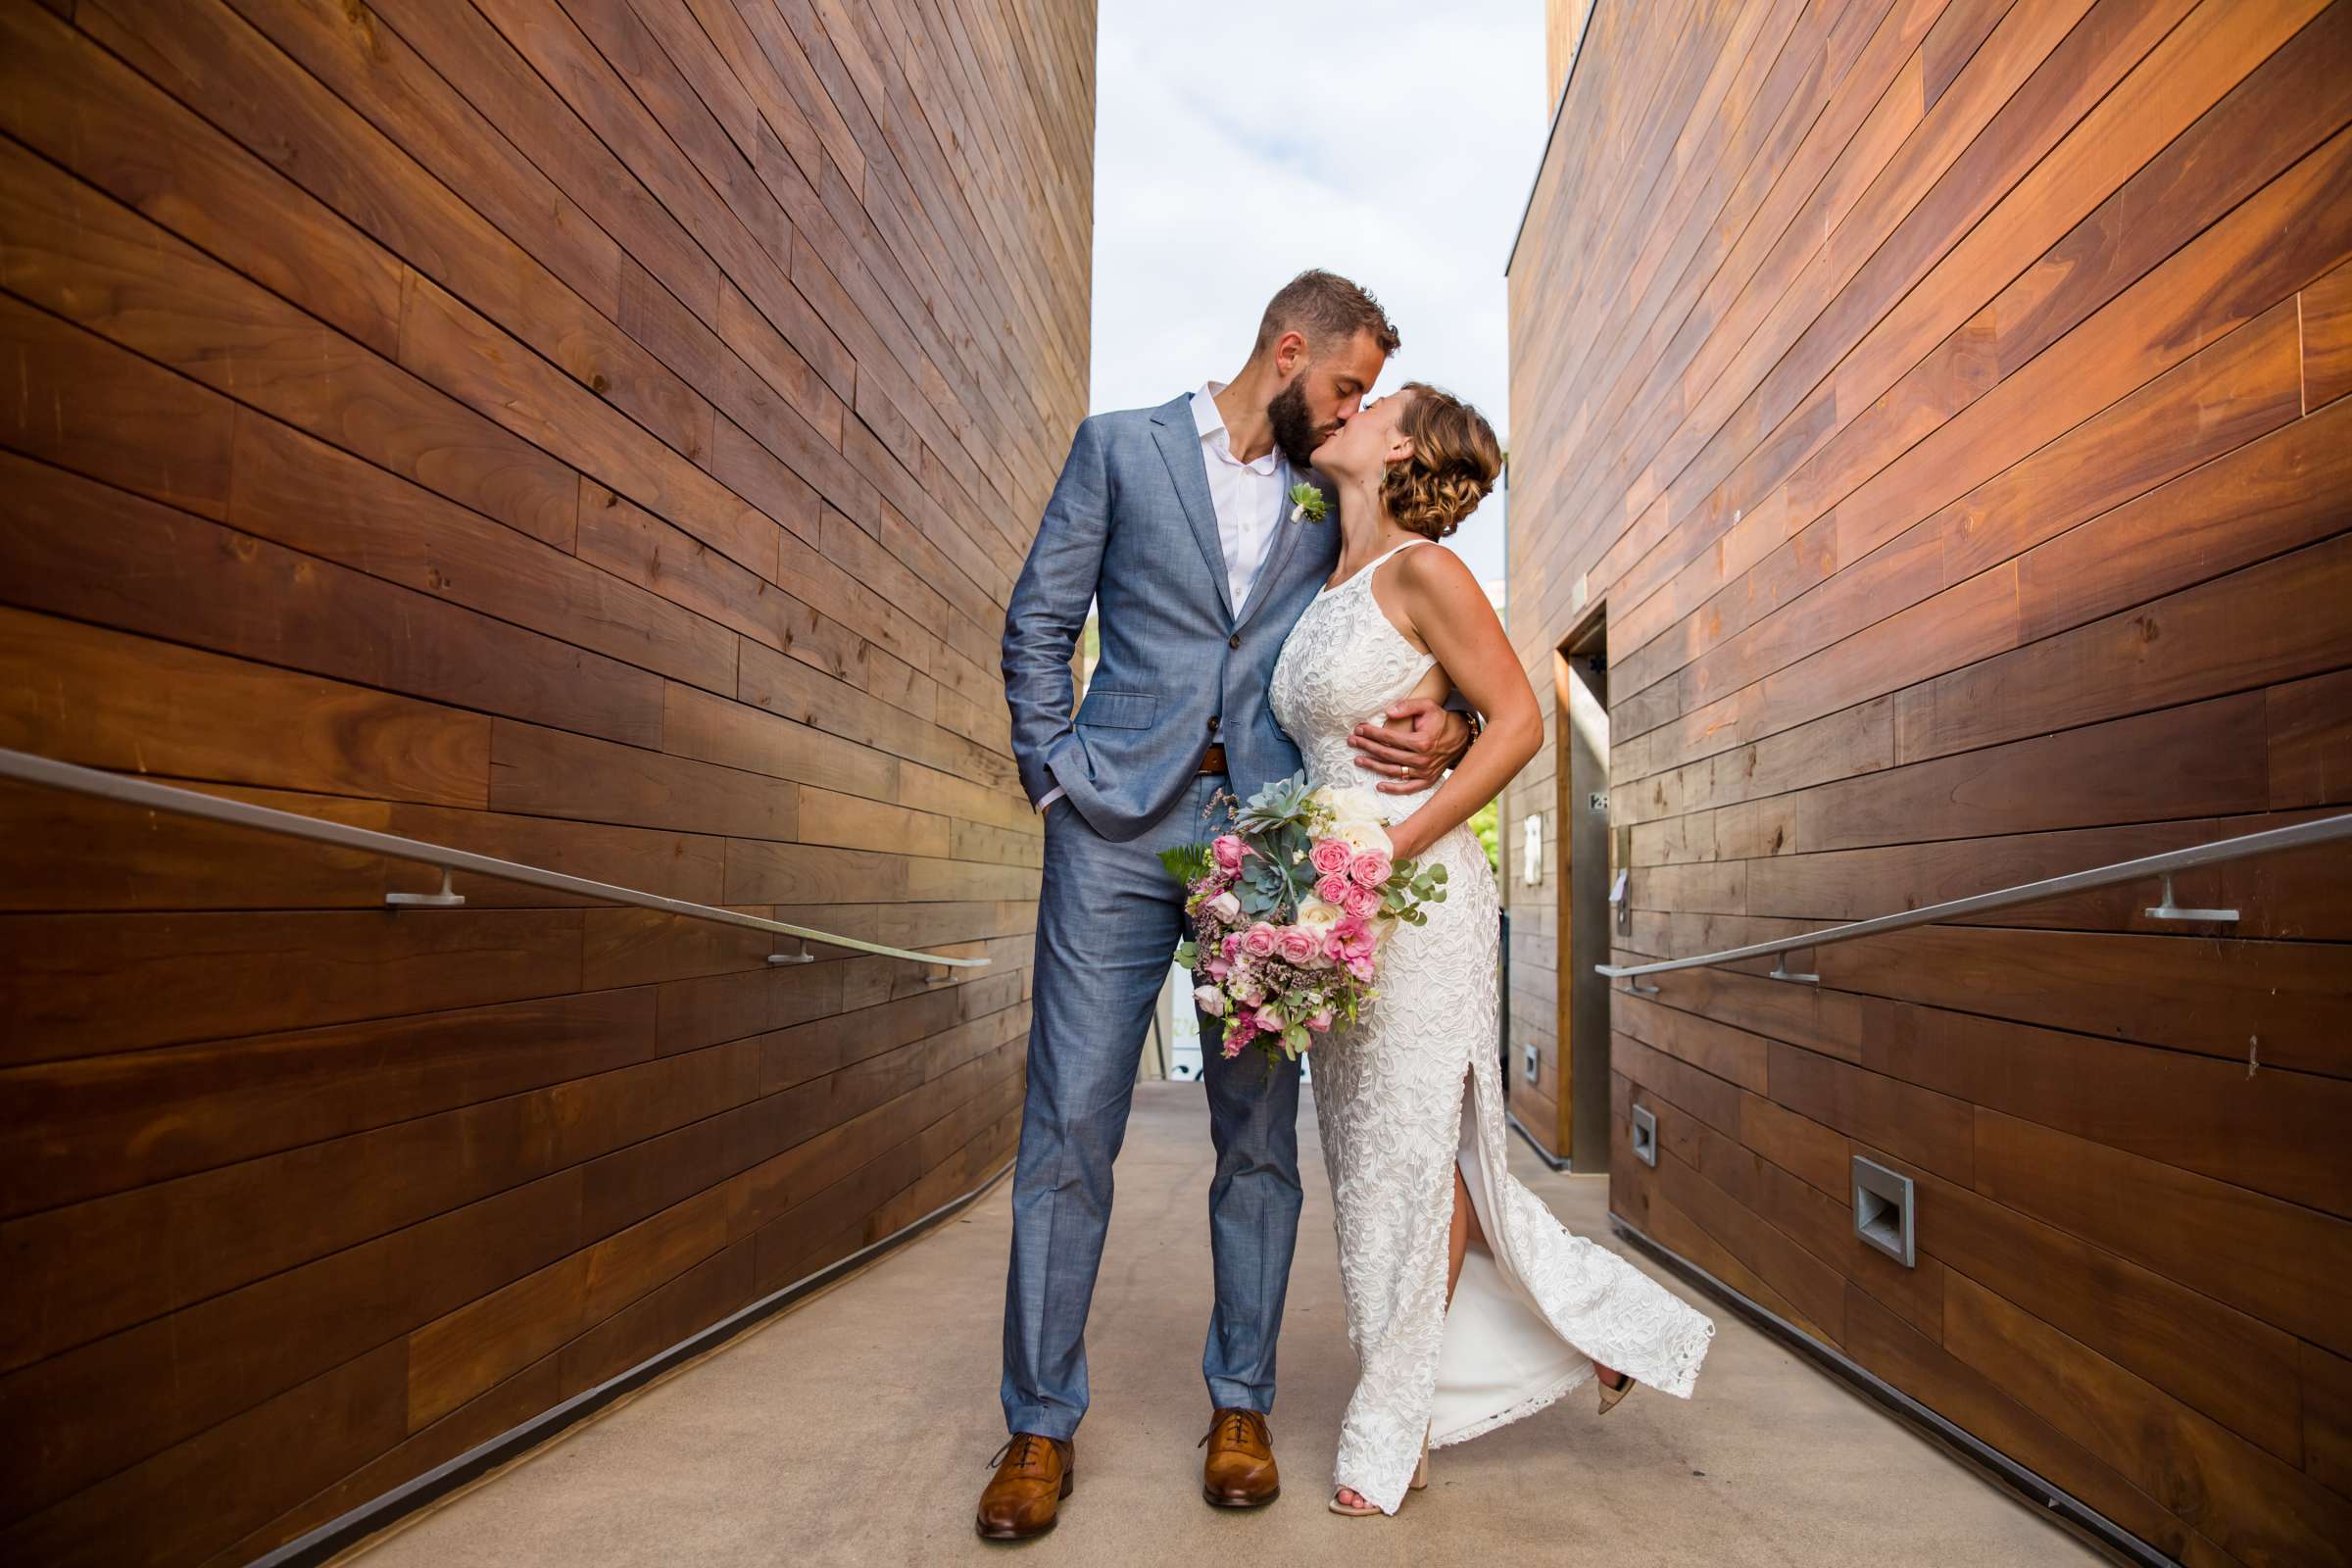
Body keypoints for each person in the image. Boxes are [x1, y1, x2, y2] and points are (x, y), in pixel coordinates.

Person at [983, 270, 1476, 1539]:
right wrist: (1056, 779)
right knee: (1068, 1132)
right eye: (1351, 384)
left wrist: (1457, 714)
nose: (1356, 406)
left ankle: (1241, 1401)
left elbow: (1406, 606)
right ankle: (1039, 1427)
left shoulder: (1329, 494)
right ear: (1290, 349)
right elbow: (1039, 621)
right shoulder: (1120, 450)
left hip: (1262, 847)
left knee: (1255, 1141)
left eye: (1371, 396)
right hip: (1109, 836)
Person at [1268, 381, 1716, 1517]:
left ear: (1405, 444)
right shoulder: (1325, 577)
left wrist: (1392, 847)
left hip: (1409, 898)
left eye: (1377, 404)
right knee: (1370, 1170)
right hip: (1329, 907)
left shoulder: (1426, 569)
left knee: (1416, 1164)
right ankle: (1590, 1334)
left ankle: (1393, 1427)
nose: (1351, 410)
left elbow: (1515, 719)